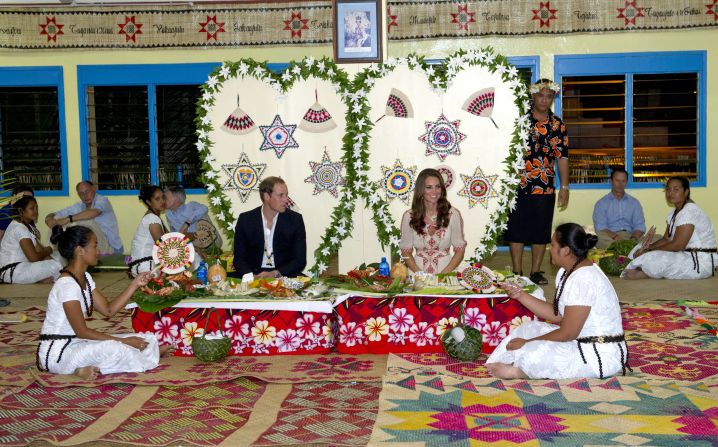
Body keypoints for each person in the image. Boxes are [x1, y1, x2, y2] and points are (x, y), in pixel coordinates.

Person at [486, 223, 630, 380]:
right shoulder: (567, 272)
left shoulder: (584, 278)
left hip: (598, 354)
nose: (550, 248)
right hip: (578, 341)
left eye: (553, 245)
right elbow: (557, 316)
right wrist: (520, 295)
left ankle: (517, 371)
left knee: (532, 350)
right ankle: (508, 362)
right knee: (527, 328)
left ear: (566, 250)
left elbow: (568, 333)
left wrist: (527, 343)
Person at [37, 225, 171, 380]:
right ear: (80, 250)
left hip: (77, 344)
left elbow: (108, 310)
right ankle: (76, 370)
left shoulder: (85, 278)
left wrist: (135, 284)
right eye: (94, 246)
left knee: (147, 339)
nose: (98, 250)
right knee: (115, 348)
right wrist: (124, 341)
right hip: (57, 354)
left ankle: (146, 354)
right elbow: (82, 331)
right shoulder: (67, 285)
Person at [503, 78, 569, 285]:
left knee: (541, 230)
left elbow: (562, 157)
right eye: (540, 95)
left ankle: (536, 271)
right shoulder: (518, 121)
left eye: (549, 96)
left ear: (553, 98)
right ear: (533, 95)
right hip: (517, 183)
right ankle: (516, 271)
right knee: (517, 228)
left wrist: (565, 186)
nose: (544, 99)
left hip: (545, 184)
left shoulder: (558, 125)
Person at [622, 176, 717, 280]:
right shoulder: (674, 212)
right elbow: (666, 239)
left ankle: (644, 273)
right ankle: (642, 268)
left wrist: (649, 252)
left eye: (676, 189)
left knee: (653, 257)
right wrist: (647, 248)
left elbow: (678, 245)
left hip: (699, 262)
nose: (670, 193)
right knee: (639, 247)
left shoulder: (689, 211)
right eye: (668, 189)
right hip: (684, 255)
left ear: (686, 192)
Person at [232, 176, 306, 278]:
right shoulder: (246, 219)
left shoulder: (295, 219)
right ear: (267, 196)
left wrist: (276, 273)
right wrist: (251, 276)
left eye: (286, 195)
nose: (286, 200)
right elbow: (239, 259)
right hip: (253, 274)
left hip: (282, 275)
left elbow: (300, 260)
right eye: (281, 195)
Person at [400, 168, 466, 274]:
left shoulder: (453, 214)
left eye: (438, 186)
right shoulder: (409, 216)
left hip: (446, 276)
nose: (434, 191)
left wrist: (443, 276)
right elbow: (405, 251)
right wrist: (419, 274)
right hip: (417, 277)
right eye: (429, 187)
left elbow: (460, 251)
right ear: (421, 190)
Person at [45, 181, 123, 256]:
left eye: (87, 191)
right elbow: (57, 214)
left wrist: (68, 219)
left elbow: (93, 212)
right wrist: (49, 218)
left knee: (85, 221)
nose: (85, 195)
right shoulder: (80, 205)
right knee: (57, 219)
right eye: (81, 194)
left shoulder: (102, 200)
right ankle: (55, 253)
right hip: (91, 246)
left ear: (94, 188)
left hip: (110, 248)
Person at [0, 196, 62, 284]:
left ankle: (46, 280)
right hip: (12, 272)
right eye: (32, 208)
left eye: (36, 207)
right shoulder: (18, 227)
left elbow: (41, 252)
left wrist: (52, 259)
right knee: (55, 266)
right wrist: (49, 249)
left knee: (56, 262)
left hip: (22, 268)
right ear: (21, 211)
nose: (35, 211)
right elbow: (34, 258)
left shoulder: (28, 227)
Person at [592, 168, 646, 249]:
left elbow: (639, 226)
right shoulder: (601, 203)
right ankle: (632, 250)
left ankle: (625, 250)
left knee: (657, 238)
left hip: (631, 237)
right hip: (611, 238)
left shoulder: (634, 203)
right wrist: (615, 236)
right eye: (617, 180)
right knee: (597, 239)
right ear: (611, 181)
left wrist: (632, 239)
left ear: (627, 182)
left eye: (623, 181)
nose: (620, 184)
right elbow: (601, 228)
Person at [164, 186, 221, 256]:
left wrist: (187, 222)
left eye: (166, 197)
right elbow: (174, 232)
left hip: (209, 245)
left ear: (176, 198)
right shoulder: (168, 213)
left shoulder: (191, 206)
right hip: (191, 249)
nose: (163, 199)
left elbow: (204, 208)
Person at [128, 185, 168, 277]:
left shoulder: (154, 217)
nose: (162, 201)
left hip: (145, 264)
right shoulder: (152, 218)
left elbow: (172, 238)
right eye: (157, 199)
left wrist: (189, 244)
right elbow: (164, 246)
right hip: (145, 267)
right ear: (149, 202)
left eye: (163, 197)